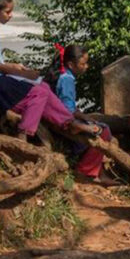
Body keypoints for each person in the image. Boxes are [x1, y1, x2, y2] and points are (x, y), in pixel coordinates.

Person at [0, 0, 98, 141]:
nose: (11, 15)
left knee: (44, 88)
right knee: (38, 92)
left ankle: (68, 122)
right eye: (8, 12)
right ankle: (23, 133)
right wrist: (21, 73)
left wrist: (16, 68)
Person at [46, 44, 112, 183]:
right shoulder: (67, 79)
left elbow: (67, 105)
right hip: (63, 123)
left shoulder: (62, 75)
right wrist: (84, 122)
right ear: (71, 64)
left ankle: (95, 170)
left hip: (56, 119)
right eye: (83, 63)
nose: (86, 66)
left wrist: (83, 116)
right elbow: (67, 110)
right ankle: (85, 171)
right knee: (104, 131)